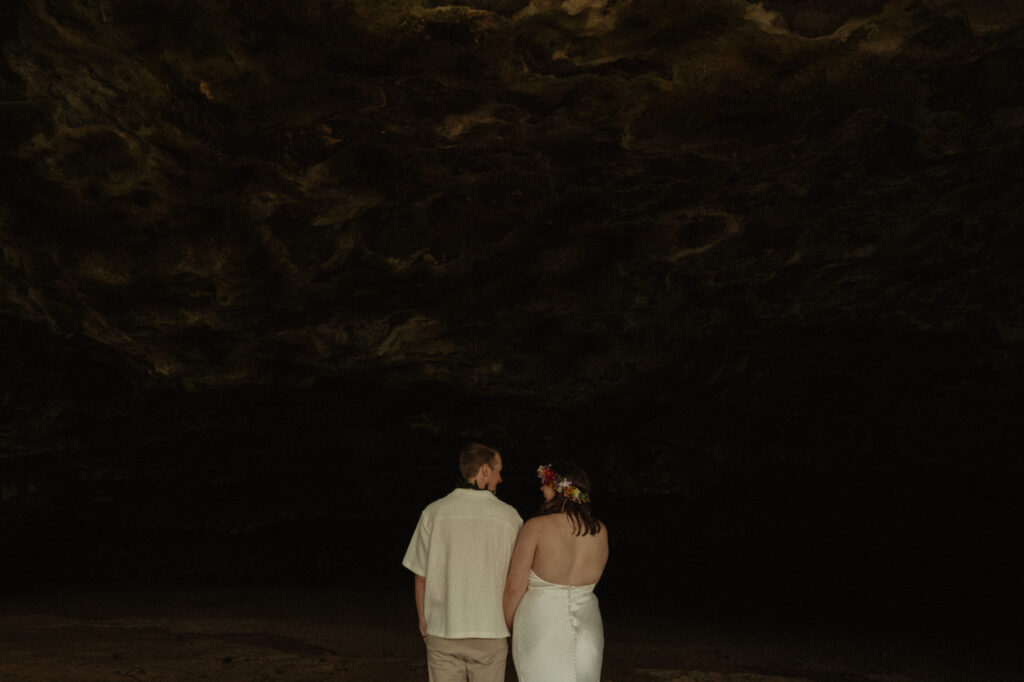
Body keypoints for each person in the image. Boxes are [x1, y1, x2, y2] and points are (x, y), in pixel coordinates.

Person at [402, 442, 524, 682]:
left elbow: (420, 577)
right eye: (498, 471)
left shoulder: (434, 512)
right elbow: (516, 581)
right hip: (490, 630)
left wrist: (424, 622)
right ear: (485, 471)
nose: (500, 479)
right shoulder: (510, 517)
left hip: (444, 629)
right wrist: (508, 626)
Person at [502, 461, 609, 682]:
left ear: (560, 488)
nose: (541, 488)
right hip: (587, 623)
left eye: (545, 484)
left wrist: (507, 625)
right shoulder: (600, 530)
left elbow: (514, 587)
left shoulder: (536, 526)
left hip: (541, 624)